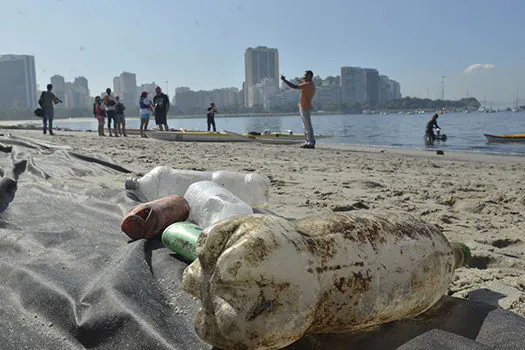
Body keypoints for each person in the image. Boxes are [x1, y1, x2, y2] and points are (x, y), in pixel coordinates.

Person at [280, 70, 316, 149]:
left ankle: (310, 142)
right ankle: (309, 141)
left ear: (310, 76)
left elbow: (294, 87)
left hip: (305, 107)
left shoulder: (307, 84)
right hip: (305, 106)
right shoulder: (311, 84)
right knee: (306, 125)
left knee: (307, 125)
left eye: (305, 75)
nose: (304, 77)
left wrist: (284, 80)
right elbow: (303, 85)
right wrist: (299, 81)